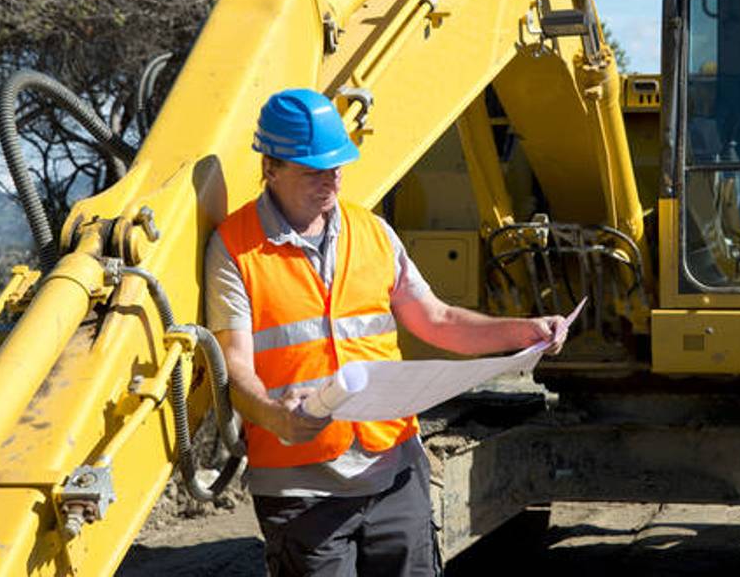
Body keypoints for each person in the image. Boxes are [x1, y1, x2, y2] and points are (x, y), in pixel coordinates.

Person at [205, 88, 565, 576]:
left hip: (395, 473)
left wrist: (522, 332)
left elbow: (438, 321)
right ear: (271, 167)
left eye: (337, 166)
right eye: (314, 169)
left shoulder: (372, 232)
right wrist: (273, 415)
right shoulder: (234, 248)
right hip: (302, 493)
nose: (331, 180)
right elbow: (236, 365)